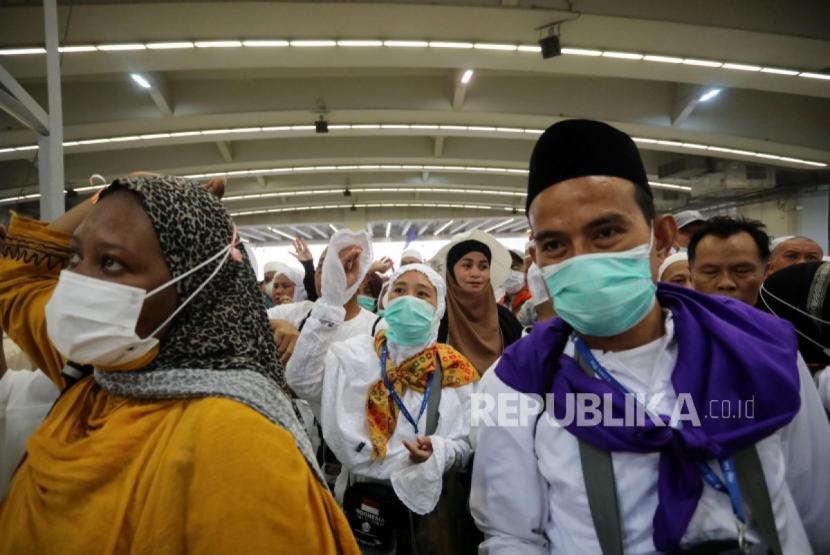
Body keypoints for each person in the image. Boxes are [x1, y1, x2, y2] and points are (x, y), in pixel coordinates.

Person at [471, 119, 830, 554]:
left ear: (660, 237)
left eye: (605, 232)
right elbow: (512, 536)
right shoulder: (518, 385)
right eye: (555, 245)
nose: (581, 260)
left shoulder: (759, 348)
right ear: (537, 259)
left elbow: (814, 507)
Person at [0, 175, 358, 554]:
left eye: (111, 263)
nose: (74, 282)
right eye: (74, 257)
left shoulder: (237, 447)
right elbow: (20, 275)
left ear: (196, 285)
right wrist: (115, 193)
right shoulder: (100, 369)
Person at [287, 247, 479, 553]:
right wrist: (332, 303)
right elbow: (301, 380)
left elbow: (468, 445)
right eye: (399, 290)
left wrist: (439, 452)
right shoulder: (355, 355)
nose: (408, 300)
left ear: (439, 307)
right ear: (386, 300)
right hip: (355, 501)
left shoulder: (455, 371)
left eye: (422, 294)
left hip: (421, 516)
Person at [432, 230, 523, 375]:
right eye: (467, 266)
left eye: (483, 267)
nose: (476, 273)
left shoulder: (506, 321)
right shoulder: (436, 320)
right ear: (451, 271)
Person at [688, 216, 770, 306]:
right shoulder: (674, 319)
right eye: (710, 272)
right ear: (691, 274)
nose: (726, 283)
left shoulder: (778, 319)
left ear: (766, 272)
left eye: (742, 271)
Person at [500, 250, 532, 318]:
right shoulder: (498, 305)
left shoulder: (534, 302)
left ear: (526, 269)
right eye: (504, 268)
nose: (509, 272)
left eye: (515, 266)